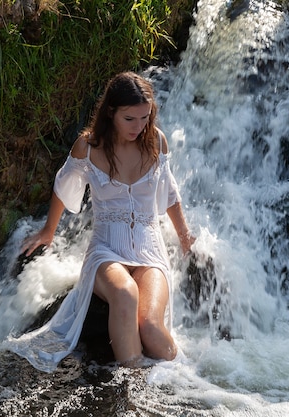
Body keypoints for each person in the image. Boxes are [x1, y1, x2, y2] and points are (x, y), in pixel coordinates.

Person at [15, 71, 195, 372]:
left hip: (150, 251)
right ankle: (134, 388)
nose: (139, 127)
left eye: (144, 117)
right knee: (125, 295)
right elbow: (63, 186)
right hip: (106, 250)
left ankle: (185, 381)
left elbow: (170, 194)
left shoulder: (156, 142)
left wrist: (185, 237)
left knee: (151, 327)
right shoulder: (89, 147)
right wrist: (48, 231)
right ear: (111, 112)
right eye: (130, 119)